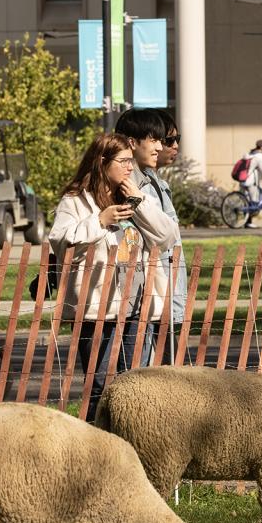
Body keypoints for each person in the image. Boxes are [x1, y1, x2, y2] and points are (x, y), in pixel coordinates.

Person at [48, 133, 178, 420]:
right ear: (102, 162)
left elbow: (167, 236)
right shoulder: (75, 201)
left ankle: (129, 439)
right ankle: (96, 441)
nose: (130, 167)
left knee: (132, 382)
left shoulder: (134, 197)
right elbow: (60, 241)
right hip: (97, 308)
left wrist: (140, 199)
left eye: (131, 161)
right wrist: (100, 221)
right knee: (100, 383)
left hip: (135, 304)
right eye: (123, 161)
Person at [116, 108, 188, 366]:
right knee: (139, 373)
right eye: (157, 140)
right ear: (133, 143)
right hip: (141, 295)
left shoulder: (151, 181)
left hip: (157, 294)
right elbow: (164, 236)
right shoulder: (129, 184)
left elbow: (170, 239)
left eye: (164, 140)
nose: (163, 147)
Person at [241, 139, 262, 228]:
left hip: (244, 180)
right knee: (254, 203)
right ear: (261, 147)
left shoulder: (251, 154)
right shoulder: (259, 156)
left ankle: (247, 222)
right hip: (251, 182)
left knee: (247, 202)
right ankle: (248, 223)